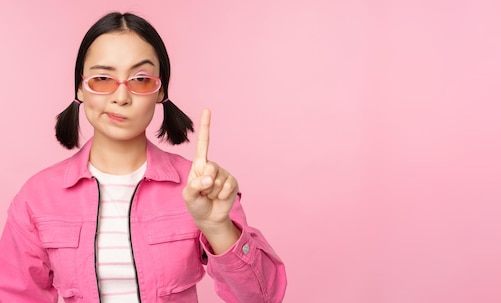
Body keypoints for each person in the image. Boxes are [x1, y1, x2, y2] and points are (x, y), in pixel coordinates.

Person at [0, 12, 287, 303]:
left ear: (160, 90)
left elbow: (261, 298)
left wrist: (218, 227)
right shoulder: (37, 197)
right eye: (101, 78)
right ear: (80, 88)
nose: (121, 97)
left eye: (140, 79)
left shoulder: (199, 188)